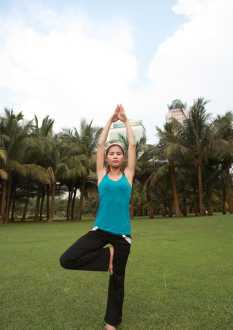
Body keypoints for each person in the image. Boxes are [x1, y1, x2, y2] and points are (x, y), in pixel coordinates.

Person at [59, 104, 136, 330]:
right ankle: (107, 258)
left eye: (118, 153)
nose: (114, 155)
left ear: (122, 158)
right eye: (111, 153)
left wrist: (126, 120)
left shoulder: (128, 176)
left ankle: (112, 322)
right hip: (100, 230)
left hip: (122, 235)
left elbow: (132, 144)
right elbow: (100, 144)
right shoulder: (101, 175)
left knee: (117, 281)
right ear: (107, 158)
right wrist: (110, 121)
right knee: (67, 259)